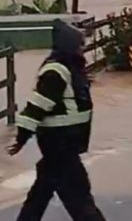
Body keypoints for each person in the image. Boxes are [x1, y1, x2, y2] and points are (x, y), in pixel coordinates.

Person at [5, 19, 106, 221]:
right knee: (79, 198)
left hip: (63, 144)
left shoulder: (70, 68)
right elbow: (36, 106)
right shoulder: (55, 71)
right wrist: (21, 137)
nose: (83, 49)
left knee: (41, 193)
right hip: (59, 144)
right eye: (80, 45)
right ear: (70, 46)